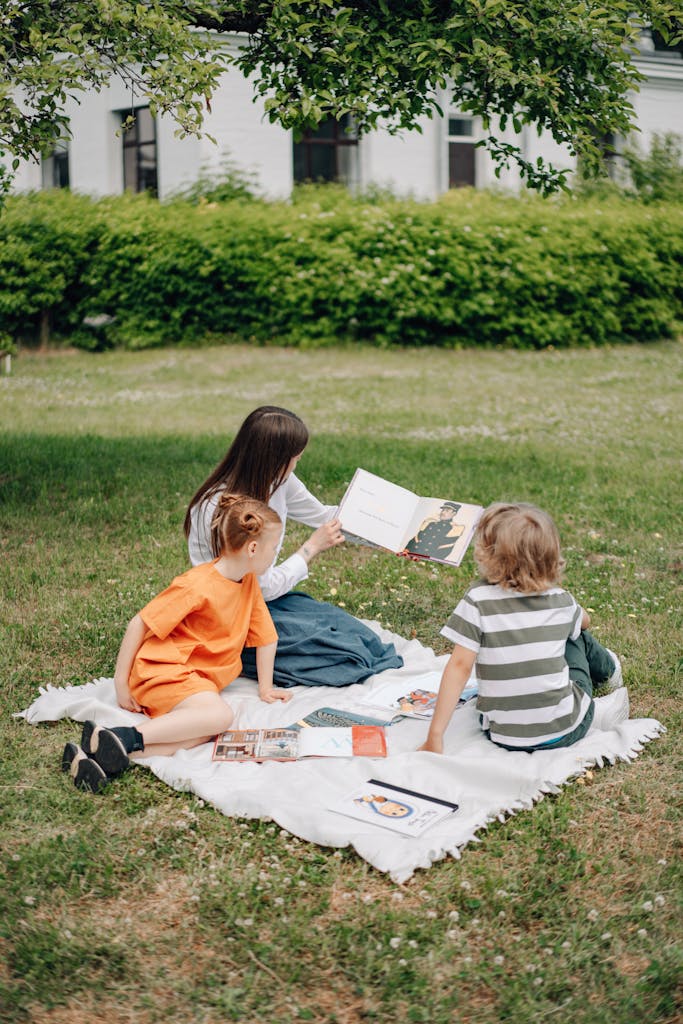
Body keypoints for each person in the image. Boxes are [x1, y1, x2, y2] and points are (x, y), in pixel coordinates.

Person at [62, 494, 291, 793]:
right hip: (163, 672)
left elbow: (266, 636)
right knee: (220, 716)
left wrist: (265, 688)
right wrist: (121, 681)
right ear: (252, 548)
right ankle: (124, 735)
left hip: (192, 681)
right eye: (274, 547)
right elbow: (140, 622)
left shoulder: (247, 583)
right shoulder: (197, 584)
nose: (276, 553)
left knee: (204, 731)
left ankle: (110, 756)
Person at [184, 406, 403, 687]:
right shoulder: (218, 507)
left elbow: (326, 517)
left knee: (364, 640)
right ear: (272, 460)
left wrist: (393, 533)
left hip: (267, 603)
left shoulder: (279, 480)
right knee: (348, 657)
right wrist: (310, 549)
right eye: (295, 459)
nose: (296, 465)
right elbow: (261, 587)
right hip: (230, 614)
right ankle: (241, 657)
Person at [420, 502, 624, 755]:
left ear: (488, 551)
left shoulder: (478, 599)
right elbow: (585, 622)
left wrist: (435, 736)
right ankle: (609, 671)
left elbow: (460, 666)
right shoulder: (559, 599)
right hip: (567, 730)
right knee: (577, 636)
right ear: (550, 554)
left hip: (504, 736)